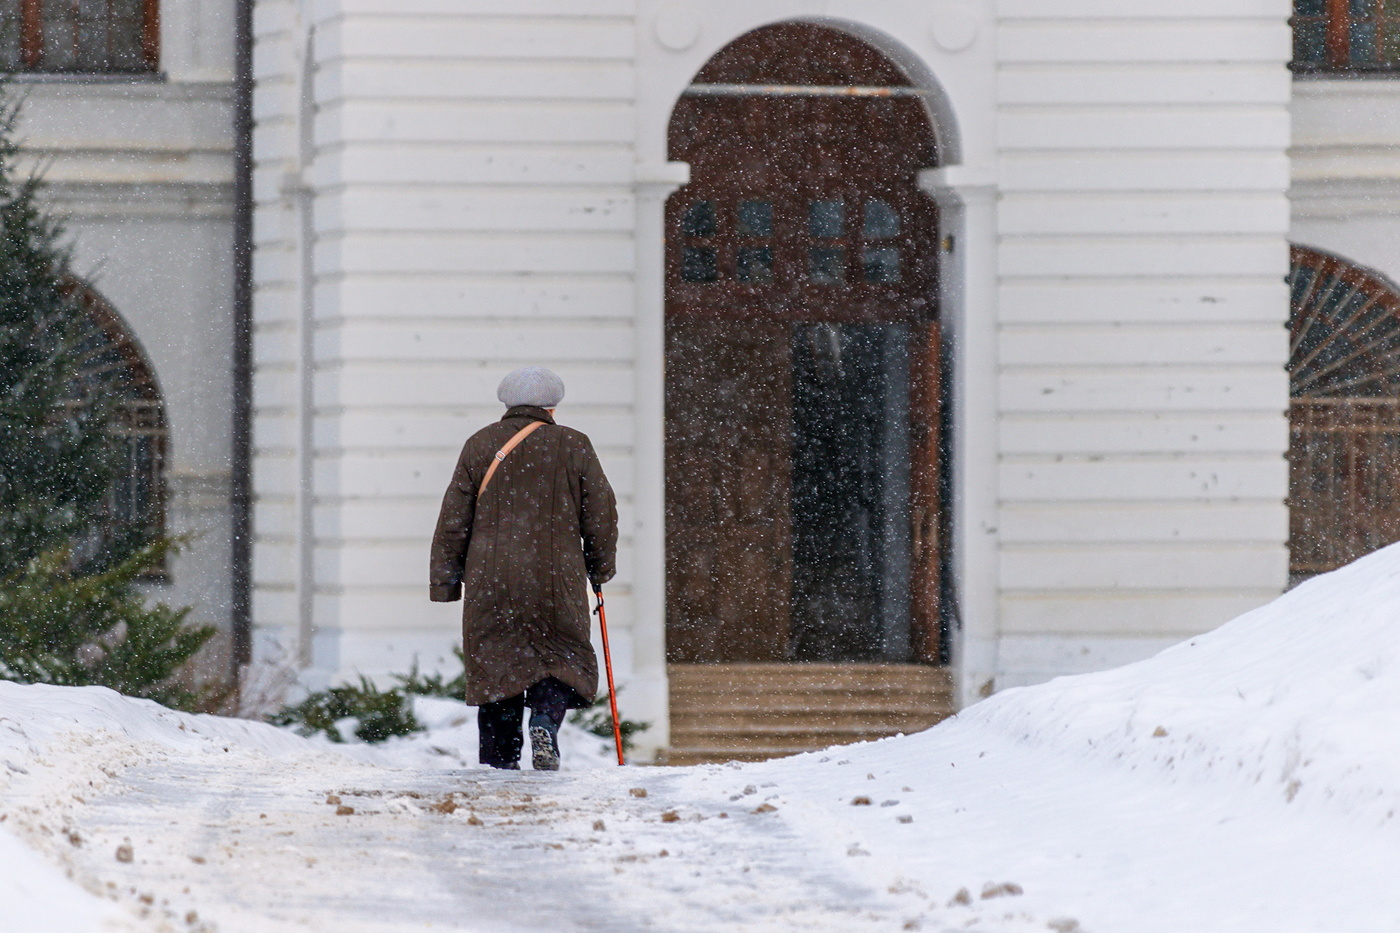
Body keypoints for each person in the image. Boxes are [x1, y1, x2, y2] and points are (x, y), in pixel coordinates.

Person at [430, 367, 618, 770]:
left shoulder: (479, 444)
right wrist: (600, 568)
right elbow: (600, 513)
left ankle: (499, 762)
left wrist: (446, 581)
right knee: (559, 655)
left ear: (507, 403)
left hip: (490, 577)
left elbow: (453, 517)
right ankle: (546, 722)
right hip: (557, 577)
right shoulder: (574, 444)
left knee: (498, 663)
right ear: (553, 405)